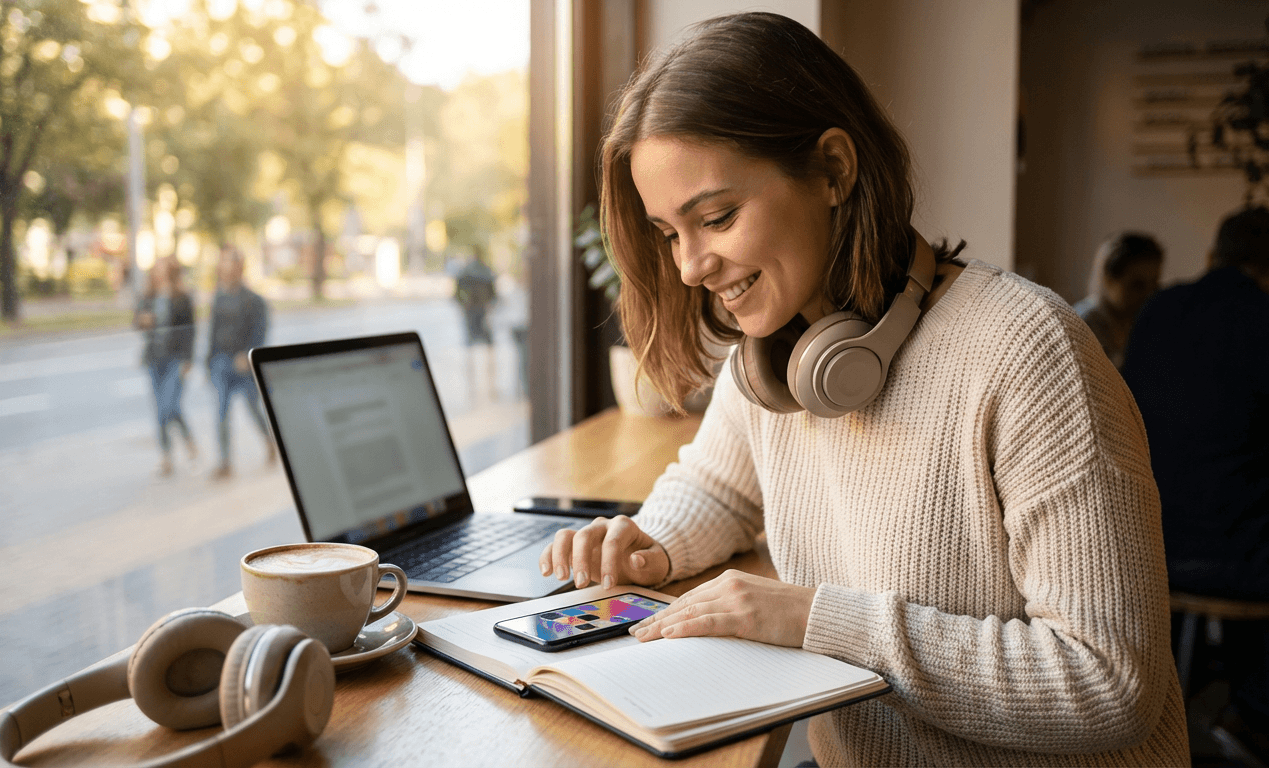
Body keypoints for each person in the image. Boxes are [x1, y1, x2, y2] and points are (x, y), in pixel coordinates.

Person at [539, 13, 1188, 767]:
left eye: (715, 218)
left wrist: (817, 621)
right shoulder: (775, 351)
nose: (689, 267)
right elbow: (718, 486)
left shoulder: (1029, 352)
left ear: (834, 170)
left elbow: (1109, 684)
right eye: (668, 233)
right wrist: (651, 545)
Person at [1122, 206, 1269, 756]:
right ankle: (1252, 712)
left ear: (1211, 256)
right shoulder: (1262, 318)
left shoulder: (1157, 311)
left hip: (1147, 544)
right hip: (1237, 557)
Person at [207, 247, 273, 480]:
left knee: (253, 408)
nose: (225, 267)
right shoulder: (218, 297)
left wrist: (247, 355)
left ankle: (269, 440)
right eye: (223, 262)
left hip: (244, 367)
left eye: (229, 262)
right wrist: (208, 362)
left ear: (239, 267)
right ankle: (224, 462)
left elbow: (260, 333)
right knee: (221, 411)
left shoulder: (254, 301)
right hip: (221, 362)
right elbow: (213, 332)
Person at [135, 257, 197, 477]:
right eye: (156, 269)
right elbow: (136, 322)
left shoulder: (181, 298)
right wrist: (142, 321)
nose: (158, 273)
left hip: (175, 359)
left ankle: (186, 440)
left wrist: (188, 360)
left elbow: (190, 331)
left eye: (162, 269)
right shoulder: (147, 296)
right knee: (162, 409)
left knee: (167, 407)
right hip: (154, 359)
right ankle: (167, 457)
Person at [1072, 232, 1164, 370]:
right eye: (1137, 285)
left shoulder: (1138, 322)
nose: (1149, 294)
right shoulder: (1084, 324)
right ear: (1109, 279)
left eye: (1155, 285)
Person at [454, 245, 498, 402]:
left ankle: (485, 386)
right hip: (476, 313)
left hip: (477, 313)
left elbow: (456, 296)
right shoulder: (480, 272)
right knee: (480, 349)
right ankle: (482, 387)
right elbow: (494, 296)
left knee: (479, 349)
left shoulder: (469, 272)